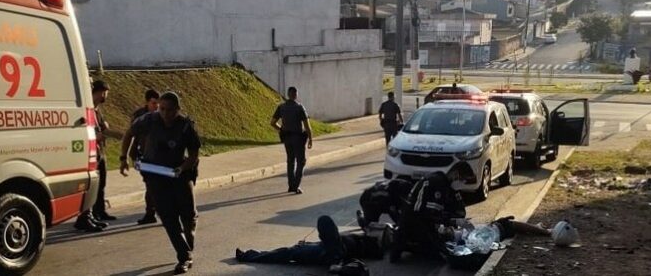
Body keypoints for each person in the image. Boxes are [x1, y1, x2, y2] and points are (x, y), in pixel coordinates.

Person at [120, 92, 200, 275]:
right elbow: (129, 134)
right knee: (168, 218)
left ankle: (188, 239)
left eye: (169, 110)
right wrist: (123, 158)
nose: (165, 113)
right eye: (161, 109)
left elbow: (194, 154)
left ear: (177, 110)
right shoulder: (148, 120)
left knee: (188, 215)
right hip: (155, 175)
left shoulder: (186, 126)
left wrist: (182, 168)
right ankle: (184, 256)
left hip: (179, 174)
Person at [235, 215, 382, 270]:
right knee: (296, 249)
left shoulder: (335, 252)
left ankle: (248, 256)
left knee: (287, 252)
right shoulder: (360, 242)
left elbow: (336, 265)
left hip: (325, 251)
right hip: (327, 247)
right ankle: (250, 255)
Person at [389, 171, 467, 263]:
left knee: (439, 248)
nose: (463, 183)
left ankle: (417, 245)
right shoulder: (438, 184)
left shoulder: (449, 186)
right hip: (416, 219)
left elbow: (460, 210)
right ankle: (409, 245)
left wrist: (455, 220)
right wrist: (448, 222)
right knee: (439, 255)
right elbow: (432, 214)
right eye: (463, 180)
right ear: (455, 175)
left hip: (423, 217)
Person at [74, 80, 113, 232]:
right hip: (90, 151)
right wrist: (95, 136)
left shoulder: (96, 111)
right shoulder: (86, 109)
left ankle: (96, 212)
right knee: (90, 185)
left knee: (99, 184)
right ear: (95, 92)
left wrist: (104, 127)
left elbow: (100, 128)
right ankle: (84, 217)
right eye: (103, 93)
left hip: (99, 151)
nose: (105, 96)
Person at [271, 87, 313, 194]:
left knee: (290, 161)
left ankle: (291, 185)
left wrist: (281, 129)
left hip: (287, 138)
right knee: (301, 162)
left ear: (288, 94)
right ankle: (296, 186)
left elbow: (272, 122)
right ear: (296, 95)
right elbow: (307, 126)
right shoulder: (299, 108)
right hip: (298, 138)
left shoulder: (281, 107)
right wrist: (310, 139)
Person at [130, 89, 160, 225]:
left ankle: (164, 213)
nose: (157, 106)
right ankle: (150, 213)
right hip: (146, 156)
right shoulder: (140, 116)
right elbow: (133, 136)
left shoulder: (163, 114)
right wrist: (131, 154)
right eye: (154, 103)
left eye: (158, 103)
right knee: (151, 186)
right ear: (147, 103)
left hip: (162, 156)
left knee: (161, 187)